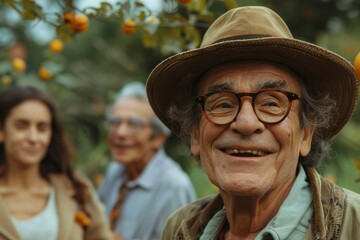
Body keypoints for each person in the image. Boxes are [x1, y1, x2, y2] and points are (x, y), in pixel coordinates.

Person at [145, 6, 360, 240]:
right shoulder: (180, 228)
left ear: (306, 132)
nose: (246, 123)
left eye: (271, 103)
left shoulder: (354, 226)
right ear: (195, 134)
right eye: (223, 104)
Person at [0, 86, 113, 240]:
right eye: (21, 126)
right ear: (2, 131)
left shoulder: (76, 191)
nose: (33, 138)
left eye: (42, 128)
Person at [97, 81, 196, 240]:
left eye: (134, 124)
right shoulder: (115, 170)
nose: (120, 132)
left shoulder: (173, 186)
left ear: (157, 138)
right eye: (115, 122)